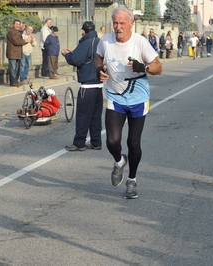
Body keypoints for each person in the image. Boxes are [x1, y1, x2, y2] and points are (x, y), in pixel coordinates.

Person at [96, 6, 162, 199]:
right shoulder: (105, 41)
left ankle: (132, 180)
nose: (118, 27)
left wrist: (145, 67)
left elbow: (159, 67)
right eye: (115, 23)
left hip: (138, 99)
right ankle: (119, 161)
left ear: (131, 23)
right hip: (115, 97)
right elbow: (98, 57)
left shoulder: (140, 42)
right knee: (111, 141)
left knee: (133, 142)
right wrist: (99, 69)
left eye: (122, 23)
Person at [62, 21, 103, 152]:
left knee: (83, 116)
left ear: (84, 31)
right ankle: (96, 141)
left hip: (88, 85)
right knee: (95, 116)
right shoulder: (99, 41)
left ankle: (79, 142)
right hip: (98, 85)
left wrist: (67, 55)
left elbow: (76, 60)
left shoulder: (86, 42)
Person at [6, 19, 32, 86]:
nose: (17, 25)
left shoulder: (17, 32)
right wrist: (25, 41)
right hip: (12, 53)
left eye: (18, 24)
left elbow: (19, 40)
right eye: (16, 24)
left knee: (17, 68)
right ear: (13, 24)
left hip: (17, 53)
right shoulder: (12, 32)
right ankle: (13, 82)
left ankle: (15, 81)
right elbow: (16, 41)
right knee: (13, 68)